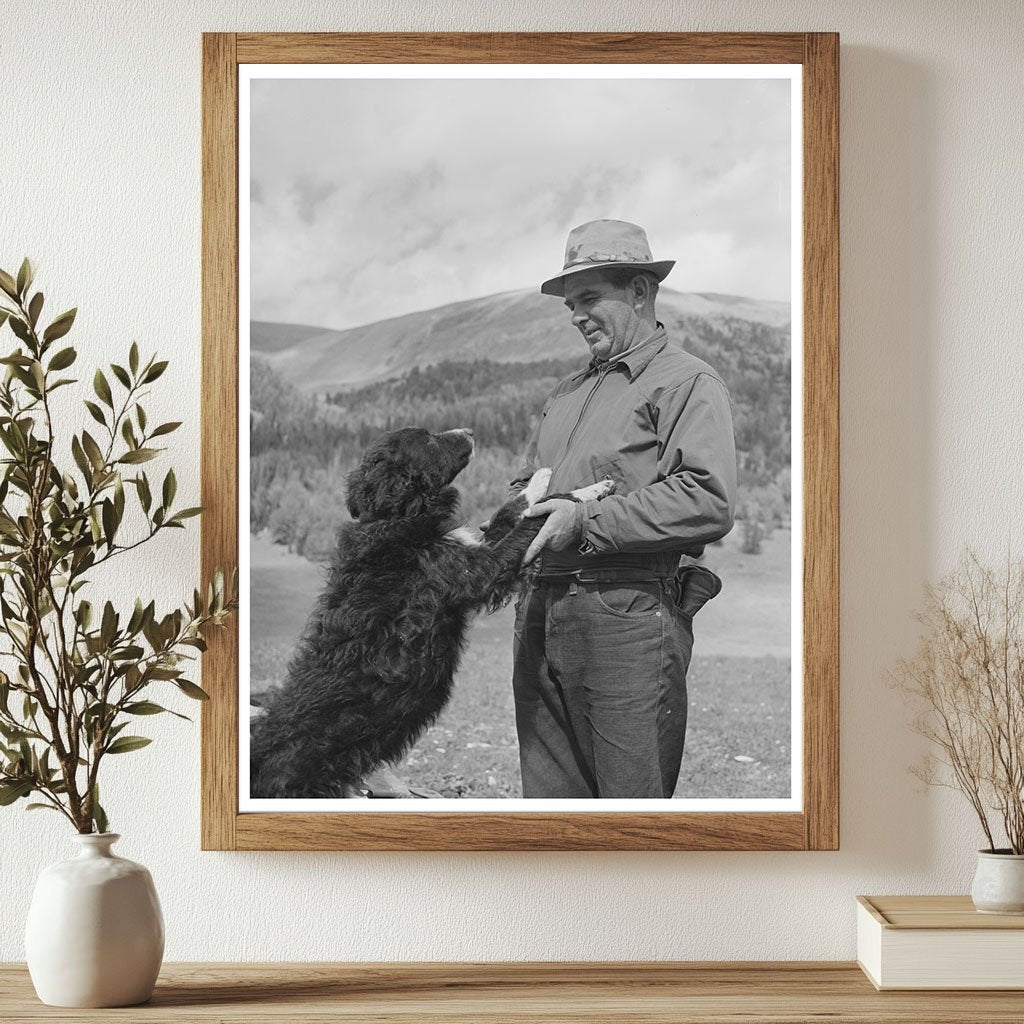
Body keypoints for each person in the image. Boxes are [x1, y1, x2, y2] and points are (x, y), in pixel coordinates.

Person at [509, 219, 737, 799]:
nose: (577, 315)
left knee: (631, 819)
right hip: (541, 610)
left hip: (627, 617)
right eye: (570, 305)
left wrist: (584, 519)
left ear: (639, 290)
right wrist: (520, 506)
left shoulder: (686, 382)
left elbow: (707, 498)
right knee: (552, 818)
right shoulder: (567, 392)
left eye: (589, 298)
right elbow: (546, 485)